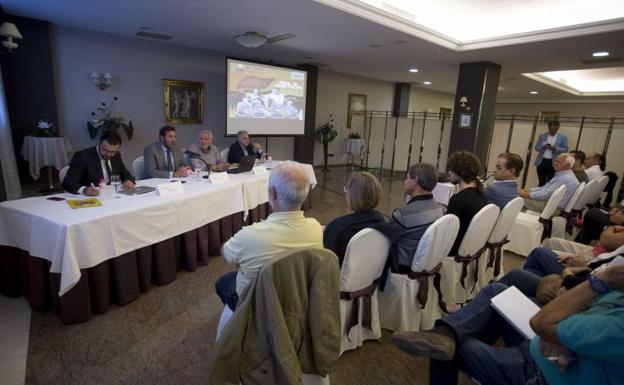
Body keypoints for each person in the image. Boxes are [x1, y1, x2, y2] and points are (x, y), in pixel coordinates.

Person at [390, 263, 624, 385]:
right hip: (555, 351)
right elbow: (564, 308)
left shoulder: (618, 326)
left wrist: (601, 279)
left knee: (449, 351)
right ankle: (446, 332)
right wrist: (556, 334)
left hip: (539, 372)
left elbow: (541, 321)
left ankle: (449, 337)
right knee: (497, 292)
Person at [215, 161, 322, 311]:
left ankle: (239, 324)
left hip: (255, 304)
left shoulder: (250, 235)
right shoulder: (316, 228)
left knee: (222, 283)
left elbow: (226, 254)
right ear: (304, 196)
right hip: (296, 297)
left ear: (272, 193)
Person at [372, 163, 444, 273]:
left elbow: (382, 235)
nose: (404, 182)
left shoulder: (403, 215)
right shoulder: (440, 210)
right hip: (426, 265)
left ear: (415, 180)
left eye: (407, 177)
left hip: (402, 268)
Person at [323, 172, 385, 265]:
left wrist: (327, 230)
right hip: (370, 277)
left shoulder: (338, 227)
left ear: (353, 195)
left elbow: (326, 262)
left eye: (346, 189)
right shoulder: (383, 224)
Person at [524, 227, 624, 277]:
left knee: (538, 253)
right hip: (591, 264)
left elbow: (606, 239)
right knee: (551, 242)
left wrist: (583, 266)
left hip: (585, 275)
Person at [62, 130, 135, 196]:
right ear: (100, 143)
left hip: (110, 196)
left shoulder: (116, 156)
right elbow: (67, 183)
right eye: (105, 150)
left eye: (112, 152)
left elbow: (126, 174)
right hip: (91, 198)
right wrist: (85, 190)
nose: (108, 154)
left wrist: (129, 181)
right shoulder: (82, 156)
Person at [446, 151, 488, 256]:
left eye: (451, 169)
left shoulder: (458, 200)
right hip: (472, 250)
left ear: (460, 171)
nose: (449, 172)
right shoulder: (482, 195)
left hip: (454, 252)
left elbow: (447, 233)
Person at [534, 120, 568, 186]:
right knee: (541, 182)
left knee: (550, 182)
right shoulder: (542, 136)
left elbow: (565, 149)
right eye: (551, 129)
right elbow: (536, 147)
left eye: (555, 129)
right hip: (541, 162)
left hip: (554, 162)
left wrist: (554, 148)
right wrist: (543, 147)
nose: (552, 131)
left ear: (558, 128)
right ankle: (539, 195)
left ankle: (548, 196)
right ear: (548, 127)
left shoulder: (563, 137)